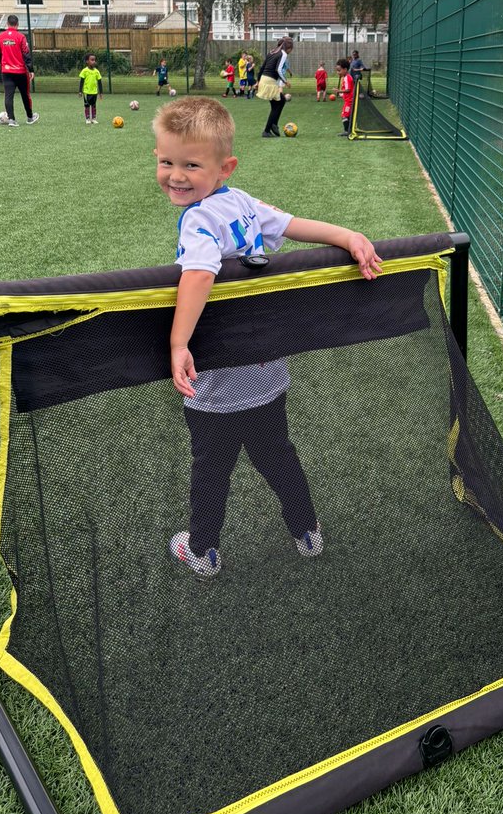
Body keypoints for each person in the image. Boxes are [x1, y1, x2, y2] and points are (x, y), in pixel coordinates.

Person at [153, 96, 383, 577]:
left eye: (191, 164)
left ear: (224, 167)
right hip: (267, 374)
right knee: (278, 457)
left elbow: (198, 273)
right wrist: (347, 236)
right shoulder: (242, 204)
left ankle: (203, 548)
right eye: (166, 161)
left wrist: (178, 344)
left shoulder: (199, 219)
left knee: (211, 472)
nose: (176, 174)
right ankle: (306, 529)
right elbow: (295, 226)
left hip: (213, 387)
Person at [0, 15, 38, 126]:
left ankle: (12, 120)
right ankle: (30, 117)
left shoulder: (1, 37)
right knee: (25, 95)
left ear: (7, 24)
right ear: (17, 24)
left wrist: (3, 64)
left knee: (8, 95)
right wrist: (31, 69)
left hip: (6, 71)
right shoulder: (21, 37)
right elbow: (26, 53)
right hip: (20, 72)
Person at [257, 36, 293, 137]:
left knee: (277, 103)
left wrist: (258, 81)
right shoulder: (283, 54)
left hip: (264, 80)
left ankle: (273, 126)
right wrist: (286, 82)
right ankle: (268, 130)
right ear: (289, 48)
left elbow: (262, 67)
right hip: (270, 81)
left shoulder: (271, 52)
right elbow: (278, 70)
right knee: (280, 102)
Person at [78, 52, 103, 124]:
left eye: (94, 60)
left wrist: (100, 92)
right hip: (86, 92)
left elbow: (99, 82)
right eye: (92, 60)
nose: (94, 61)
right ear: (87, 61)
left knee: (94, 106)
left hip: (94, 92)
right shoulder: (84, 71)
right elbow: (81, 81)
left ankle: (94, 119)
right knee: (87, 106)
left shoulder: (97, 72)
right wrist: (80, 91)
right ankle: (88, 119)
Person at [336, 57, 354, 136]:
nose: (337, 72)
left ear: (345, 69)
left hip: (349, 102)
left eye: (339, 70)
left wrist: (339, 91)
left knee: (344, 115)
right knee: (347, 115)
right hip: (348, 100)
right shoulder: (346, 77)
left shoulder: (347, 78)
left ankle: (347, 131)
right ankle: (349, 129)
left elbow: (348, 89)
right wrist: (342, 94)